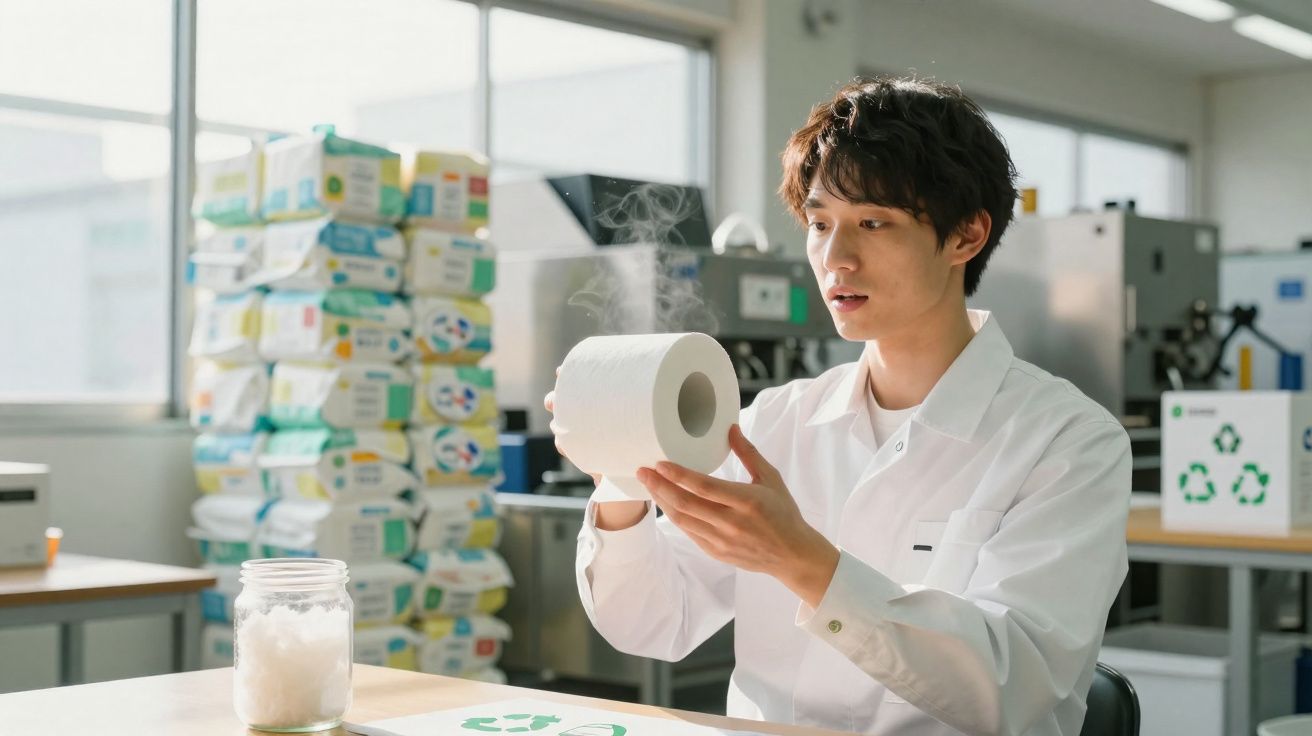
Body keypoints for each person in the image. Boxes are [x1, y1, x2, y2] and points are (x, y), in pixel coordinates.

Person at [545, 76, 1131, 736]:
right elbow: (654, 621)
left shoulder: (1070, 442)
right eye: (820, 224)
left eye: (873, 223)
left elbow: (1017, 688)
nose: (835, 258)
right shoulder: (776, 420)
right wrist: (621, 472)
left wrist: (802, 561)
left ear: (966, 236)